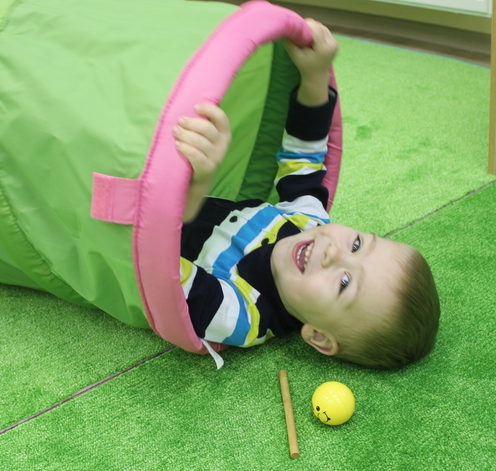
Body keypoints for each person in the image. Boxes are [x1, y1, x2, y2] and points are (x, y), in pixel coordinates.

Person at [173, 19, 440, 369]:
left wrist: (194, 187)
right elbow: (304, 157)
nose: (332, 251)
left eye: (344, 282)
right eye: (356, 244)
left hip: (135, 226)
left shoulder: (241, 314)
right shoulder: (309, 223)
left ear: (319, 336)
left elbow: (163, 276)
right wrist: (315, 76)